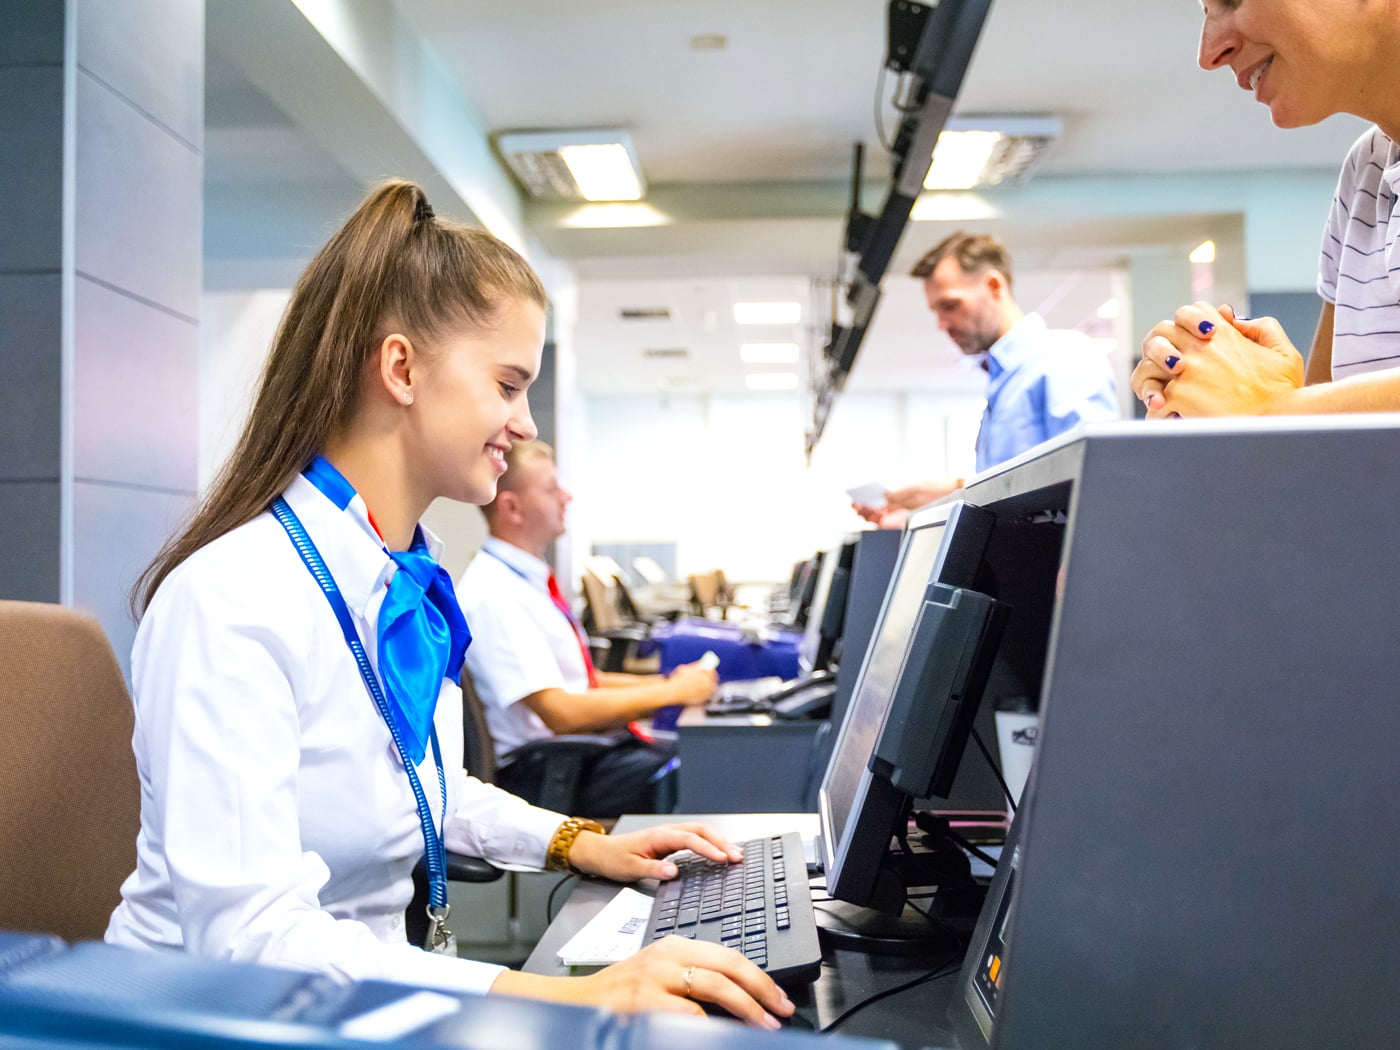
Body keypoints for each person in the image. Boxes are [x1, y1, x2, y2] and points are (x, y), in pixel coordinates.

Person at [103, 179, 793, 1028]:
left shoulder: (397, 576)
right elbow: (251, 940)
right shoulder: (233, 599)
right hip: (204, 1019)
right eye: (508, 385)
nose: (525, 422)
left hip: (353, 999)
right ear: (401, 368)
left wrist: (579, 841)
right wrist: (567, 996)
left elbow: (433, 791)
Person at [1133, 1, 1400, 418]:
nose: (1208, 54)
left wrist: (1273, 408)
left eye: (1231, 0)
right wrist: (1243, 391)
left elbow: (1297, 417)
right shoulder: (1366, 169)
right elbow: (1328, 456)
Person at [455, 439, 717, 817]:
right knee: (707, 765)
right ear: (512, 507)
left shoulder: (523, 581)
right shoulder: (494, 594)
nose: (567, 497)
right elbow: (561, 712)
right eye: (551, 489)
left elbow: (582, 681)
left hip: (579, 756)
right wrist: (673, 692)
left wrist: (670, 684)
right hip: (552, 774)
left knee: (711, 750)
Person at [854, 231, 1120, 528]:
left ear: (994, 285)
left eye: (950, 306)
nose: (942, 324)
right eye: (936, 311)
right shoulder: (1001, 381)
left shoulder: (1065, 357)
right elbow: (1008, 495)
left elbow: (1096, 482)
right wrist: (918, 510)